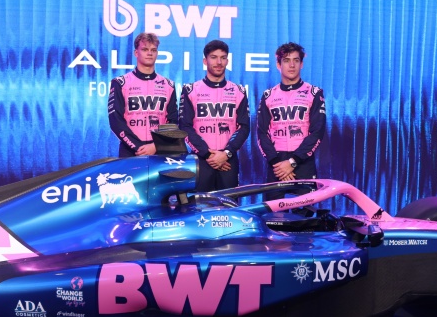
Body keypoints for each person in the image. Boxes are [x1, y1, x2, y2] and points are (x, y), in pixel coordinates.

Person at [179, 40, 250, 191]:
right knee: (199, 204)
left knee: (228, 203)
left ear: (227, 61)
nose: (219, 62)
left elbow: (244, 127)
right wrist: (208, 155)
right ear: (205, 61)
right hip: (201, 159)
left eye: (223, 58)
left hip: (228, 160)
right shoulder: (191, 90)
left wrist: (226, 153)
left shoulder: (239, 91)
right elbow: (185, 126)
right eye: (213, 57)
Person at [257, 42, 326, 198]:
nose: (292, 65)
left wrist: (292, 162)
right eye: (286, 60)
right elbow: (261, 133)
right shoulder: (268, 95)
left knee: (305, 213)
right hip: (276, 165)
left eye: (296, 60)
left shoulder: (314, 93)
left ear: (301, 64)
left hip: (303, 161)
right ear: (278, 65)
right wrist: (277, 164)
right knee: (273, 212)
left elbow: (317, 131)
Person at [108, 32, 178, 157]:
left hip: (160, 150)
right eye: (145, 49)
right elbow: (116, 120)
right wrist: (137, 147)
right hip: (130, 150)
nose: (149, 53)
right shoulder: (120, 83)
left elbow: (173, 120)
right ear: (136, 53)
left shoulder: (169, 85)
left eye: (153, 50)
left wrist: (156, 145)